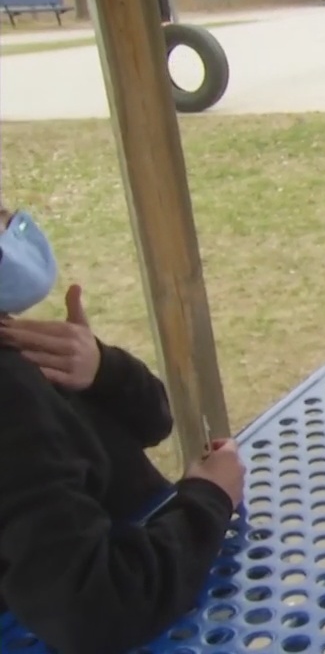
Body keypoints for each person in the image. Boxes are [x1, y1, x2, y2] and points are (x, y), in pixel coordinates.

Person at [0, 205, 246, 654]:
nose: (14, 220)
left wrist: (101, 368)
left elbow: (154, 422)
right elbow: (97, 608)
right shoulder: (9, 391)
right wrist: (210, 500)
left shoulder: (17, 345)